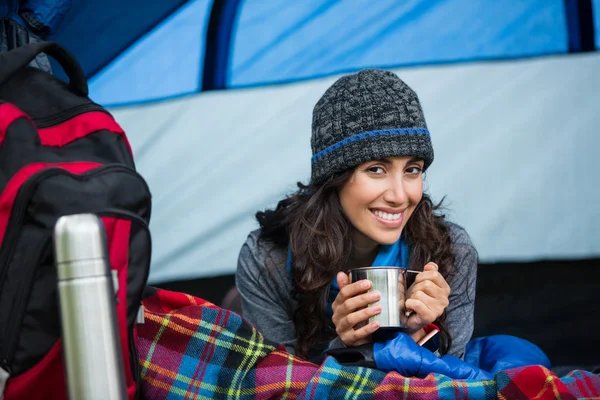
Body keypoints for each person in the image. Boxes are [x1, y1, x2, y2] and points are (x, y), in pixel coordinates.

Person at [236, 69, 478, 361]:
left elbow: (455, 383)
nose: (400, 196)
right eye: (376, 169)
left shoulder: (450, 251)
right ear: (333, 179)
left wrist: (418, 335)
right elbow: (278, 386)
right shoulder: (268, 260)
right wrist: (346, 347)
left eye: (412, 169)